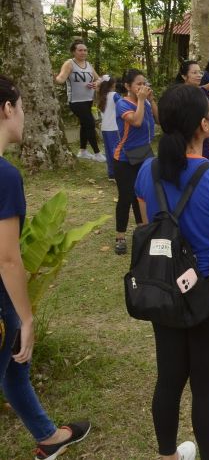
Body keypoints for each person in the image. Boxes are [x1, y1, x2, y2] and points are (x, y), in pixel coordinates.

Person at [134, 84, 209, 460]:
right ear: (203, 125)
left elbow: (149, 229)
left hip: (162, 288)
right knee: (205, 389)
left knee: (168, 380)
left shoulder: (145, 174)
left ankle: (167, 454)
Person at [0, 75, 92, 460]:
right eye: (21, 107)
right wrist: (26, 317)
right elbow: (7, 258)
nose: (23, 116)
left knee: (14, 366)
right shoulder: (5, 176)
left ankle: (49, 436)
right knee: (15, 349)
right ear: (7, 109)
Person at [113, 69, 157, 255]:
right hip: (124, 157)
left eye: (143, 83)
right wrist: (141, 100)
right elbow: (137, 122)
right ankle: (120, 236)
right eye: (138, 84)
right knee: (126, 196)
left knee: (143, 194)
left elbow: (157, 118)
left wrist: (151, 100)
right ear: (127, 86)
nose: (142, 87)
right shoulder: (122, 104)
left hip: (145, 154)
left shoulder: (145, 102)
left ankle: (143, 230)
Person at [54, 39, 104, 161]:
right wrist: (54, 78)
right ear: (73, 52)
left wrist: (95, 83)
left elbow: (99, 79)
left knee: (84, 124)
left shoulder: (89, 65)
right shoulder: (69, 64)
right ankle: (97, 154)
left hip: (88, 100)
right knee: (90, 124)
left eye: (85, 50)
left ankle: (83, 151)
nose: (83, 52)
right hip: (76, 101)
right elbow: (61, 78)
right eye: (80, 50)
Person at [177, 60, 209, 161]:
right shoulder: (179, 95)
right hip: (184, 138)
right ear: (184, 76)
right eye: (194, 73)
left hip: (202, 138)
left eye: (200, 72)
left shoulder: (202, 92)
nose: (199, 75)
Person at [98, 75, 121, 180]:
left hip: (105, 128)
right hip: (114, 127)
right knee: (116, 151)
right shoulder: (114, 95)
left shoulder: (101, 96)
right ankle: (117, 173)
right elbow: (122, 106)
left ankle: (111, 174)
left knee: (108, 151)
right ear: (112, 84)